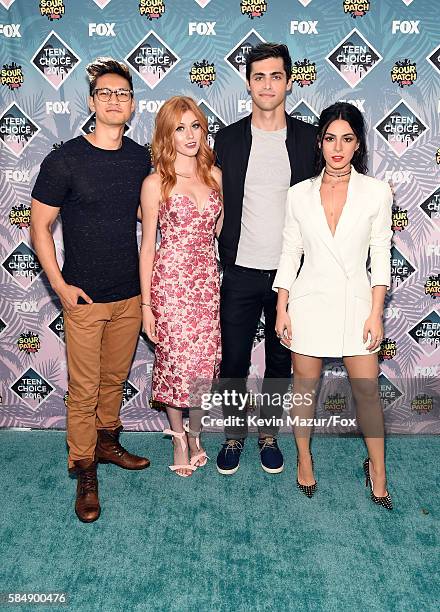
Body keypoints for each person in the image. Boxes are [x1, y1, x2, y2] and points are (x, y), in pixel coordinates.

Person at [30, 58, 151, 523]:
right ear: (92, 100)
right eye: (106, 93)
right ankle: (84, 470)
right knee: (82, 390)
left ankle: (106, 442)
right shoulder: (64, 159)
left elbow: (152, 214)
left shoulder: (142, 158)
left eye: (123, 93)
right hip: (84, 299)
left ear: (132, 103)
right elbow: (39, 227)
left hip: (130, 297)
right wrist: (59, 285)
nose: (115, 100)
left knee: (113, 382)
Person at [274, 102, 393, 509]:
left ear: (358, 144)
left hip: (357, 304)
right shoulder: (298, 194)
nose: (337, 148)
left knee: (367, 395)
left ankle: (377, 469)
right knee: (304, 390)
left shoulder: (377, 192)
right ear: (320, 142)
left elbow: (380, 256)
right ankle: (304, 458)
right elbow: (290, 252)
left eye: (346, 138)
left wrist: (376, 312)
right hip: (308, 303)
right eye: (329, 138)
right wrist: (282, 305)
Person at [213, 43, 317, 475]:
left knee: (279, 362)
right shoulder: (228, 138)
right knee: (234, 360)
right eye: (259, 77)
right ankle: (234, 434)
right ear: (249, 83)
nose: (268, 84)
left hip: (290, 276)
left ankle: (269, 434)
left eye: (276, 76)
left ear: (289, 82)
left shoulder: (311, 138)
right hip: (239, 268)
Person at [140, 96, 222, 477]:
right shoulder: (156, 182)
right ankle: (177, 437)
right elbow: (147, 247)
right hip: (170, 283)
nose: (190, 135)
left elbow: (216, 232)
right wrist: (146, 307)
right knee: (174, 362)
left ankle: (196, 435)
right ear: (166, 134)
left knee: (204, 364)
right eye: (180, 128)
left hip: (206, 282)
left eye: (196, 126)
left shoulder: (215, 176)